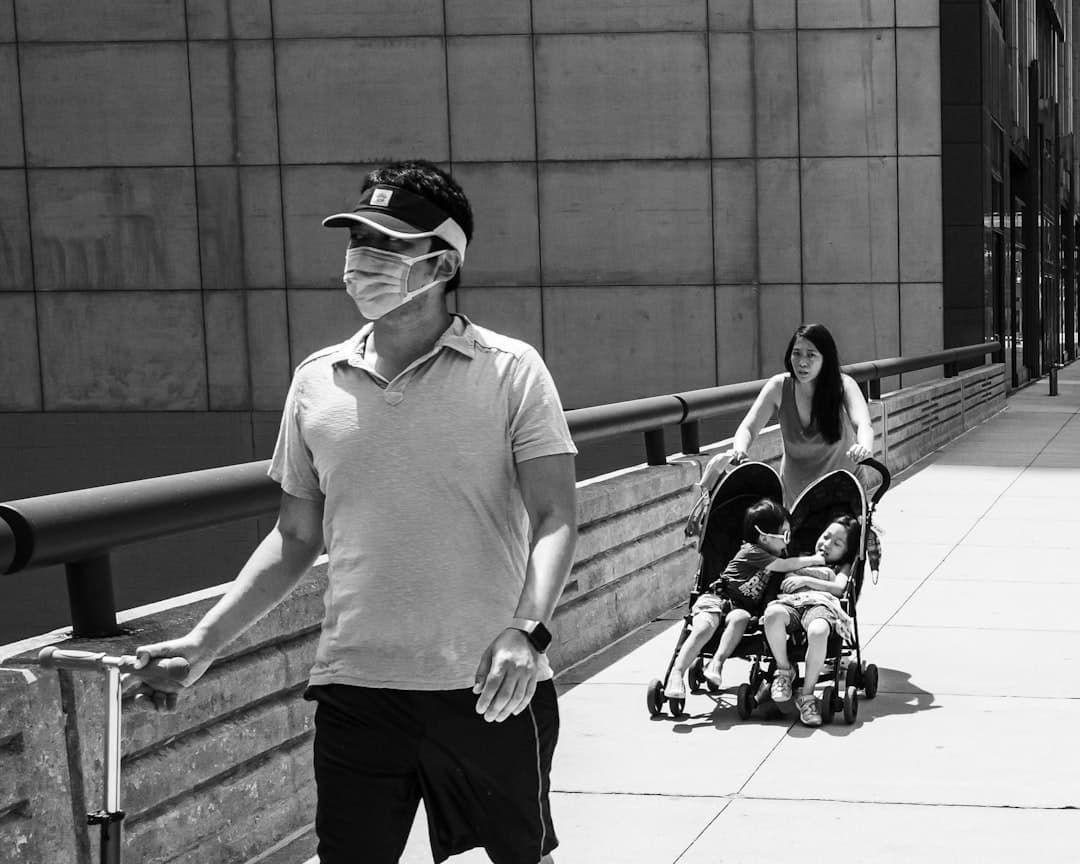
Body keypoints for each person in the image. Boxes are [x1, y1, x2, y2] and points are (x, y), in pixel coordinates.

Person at [129, 161, 578, 864]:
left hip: (489, 685)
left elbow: (554, 515)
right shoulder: (316, 382)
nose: (365, 260)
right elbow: (294, 536)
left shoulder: (511, 370)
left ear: (443, 260)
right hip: (356, 687)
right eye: (357, 241)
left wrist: (528, 632)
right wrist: (204, 641)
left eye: (389, 244)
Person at [664, 499, 836, 701]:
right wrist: (815, 559)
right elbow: (785, 565)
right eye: (785, 535)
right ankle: (676, 674)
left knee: (740, 619)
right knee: (703, 628)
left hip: (740, 607)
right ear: (764, 537)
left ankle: (716, 664)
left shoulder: (774, 551)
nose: (788, 541)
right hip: (718, 598)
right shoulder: (753, 551)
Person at [727, 323, 875, 507]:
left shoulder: (843, 385)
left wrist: (864, 448)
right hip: (796, 497)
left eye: (811, 355)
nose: (802, 362)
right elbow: (748, 427)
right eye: (796, 353)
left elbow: (863, 424)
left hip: (843, 491)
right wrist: (740, 449)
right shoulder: (779, 387)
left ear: (825, 359)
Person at [763, 515, 860, 727]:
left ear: (846, 551)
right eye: (826, 537)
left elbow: (840, 588)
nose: (827, 545)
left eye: (837, 544)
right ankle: (784, 670)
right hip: (791, 603)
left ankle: (807, 696)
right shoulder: (800, 557)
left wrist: (806, 580)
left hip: (820, 605)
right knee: (771, 615)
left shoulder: (840, 567)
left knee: (818, 631)